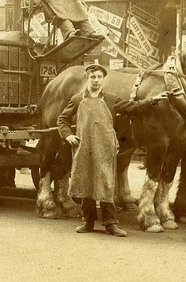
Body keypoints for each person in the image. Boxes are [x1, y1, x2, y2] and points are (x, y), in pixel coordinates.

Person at [57, 64, 169, 237]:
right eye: (92, 77)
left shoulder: (111, 99)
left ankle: (111, 224)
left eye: (99, 77)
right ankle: (88, 222)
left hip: (105, 148)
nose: (95, 80)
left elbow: (134, 107)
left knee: (107, 184)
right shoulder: (77, 99)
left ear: (103, 80)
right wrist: (67, 136)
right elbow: (62, 119)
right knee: (86, 182)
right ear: (88, 79)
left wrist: (153, 100)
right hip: (84, 147)